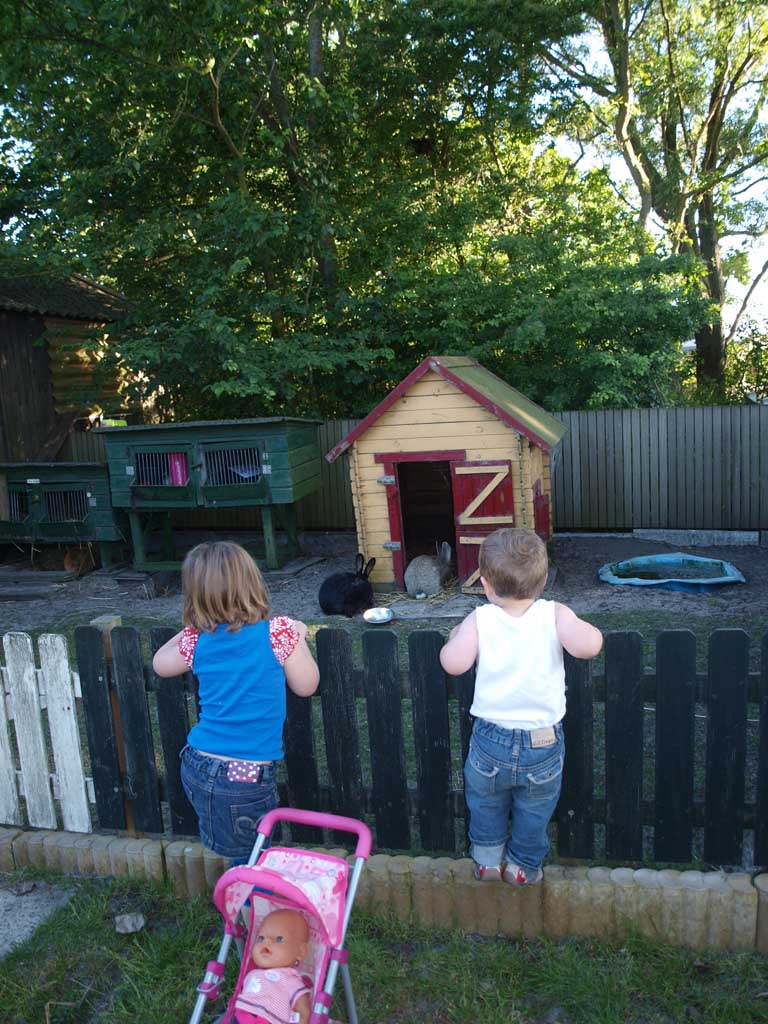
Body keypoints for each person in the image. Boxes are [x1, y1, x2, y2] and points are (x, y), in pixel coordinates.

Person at [440, 528, 603, 886]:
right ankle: (523, 866)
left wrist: (454, 639)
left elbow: (453, 664)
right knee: (535, 809)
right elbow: (589, 646)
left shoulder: (480, 619)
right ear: (542, 581)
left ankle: (486, 860)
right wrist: (583, 629)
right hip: (542, 743)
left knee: (485, 802)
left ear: (485, 584)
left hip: (489, 740)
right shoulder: (554, 614)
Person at [153, 541, 320, 862]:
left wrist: (190, 629)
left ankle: (243, 903)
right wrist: (298, 636)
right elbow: (306, 685)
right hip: (242, 777)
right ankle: (245, 910)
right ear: (252, 583)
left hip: (197, 763)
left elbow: (161, 663)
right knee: (251, 860)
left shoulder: (197, 640)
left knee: (242, 854)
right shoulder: (278, 632)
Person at [234, 909, 312, 1024]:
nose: (266, 942)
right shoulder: (253, 972)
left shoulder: (291, 981)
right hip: (239, 1017)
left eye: (279, 939)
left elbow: (303, 1011)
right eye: (261, 938)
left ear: (300, 952)